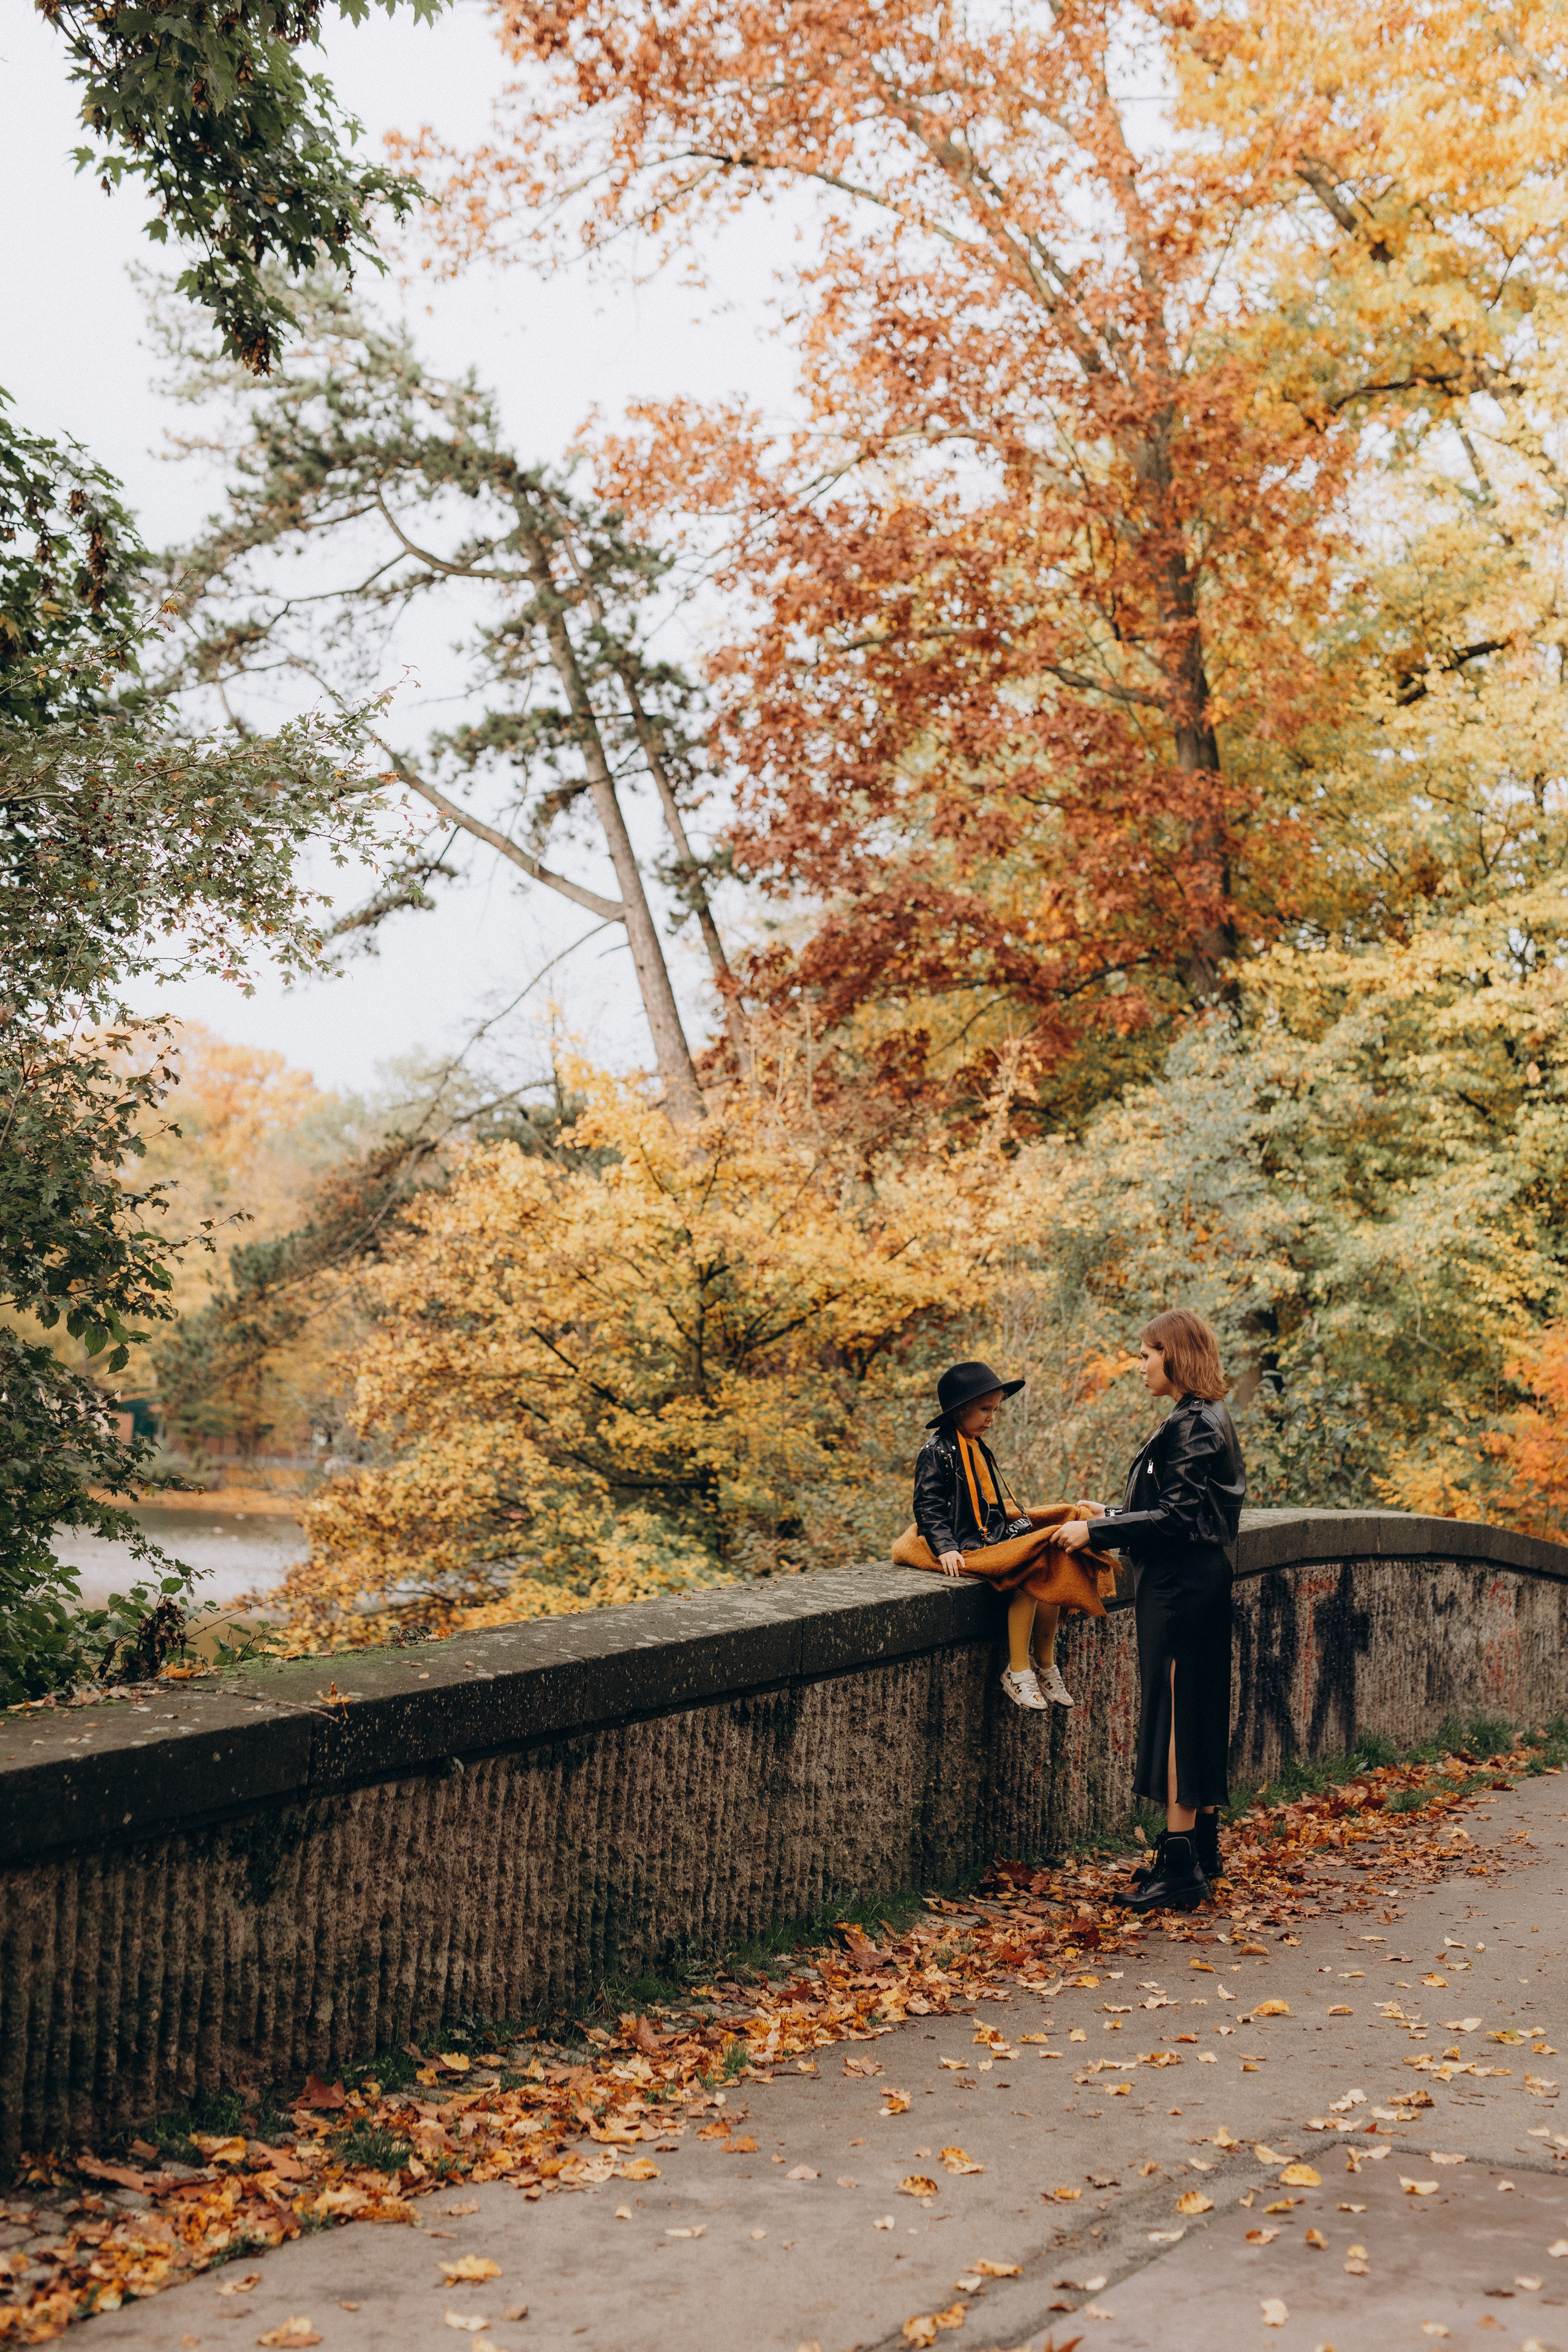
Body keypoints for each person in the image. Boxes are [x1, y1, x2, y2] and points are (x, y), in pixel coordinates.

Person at [1054, 1310, 1246, 1910]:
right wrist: (1111, 1517)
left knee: (1177, 1714)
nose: (1138, 1365)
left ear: (1174, 1355)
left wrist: (1096, 1533)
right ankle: (1201, 1850)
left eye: (1145, 1353)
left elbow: (1176, 1519)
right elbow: (1180, 1508)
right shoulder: (1203, 1417)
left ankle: (1180, 1864)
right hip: (1194, 1579)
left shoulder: (1192, 1424)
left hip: (1181, 1585)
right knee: (1197, 1709)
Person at [907, 1359, 1111, 1713]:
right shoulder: (937, 1451)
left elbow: (988, 1501)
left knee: (1055, 1563)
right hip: (965, 1544)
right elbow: (928, 1507)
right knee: (1030, 1573)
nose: (992, 1418)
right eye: (985, 1409)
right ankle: (1018, 1671)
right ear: (959, 1411)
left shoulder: (976, 1445)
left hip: (989, 1535)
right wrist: (946, 1547)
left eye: (996, 1410)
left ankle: (1045, 1663)